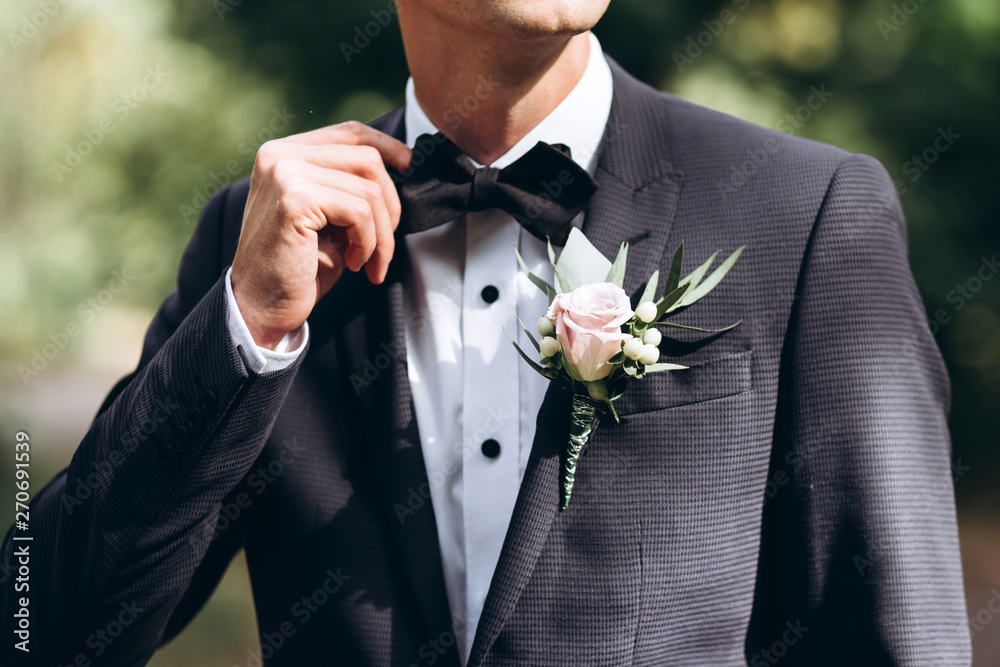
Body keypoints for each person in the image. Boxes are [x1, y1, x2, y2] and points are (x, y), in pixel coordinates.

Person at [1, 0, 971, 665]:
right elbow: (44, 629)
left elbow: (898, 637)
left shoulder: (804, 213)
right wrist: (246, 325)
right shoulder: (256, 241)